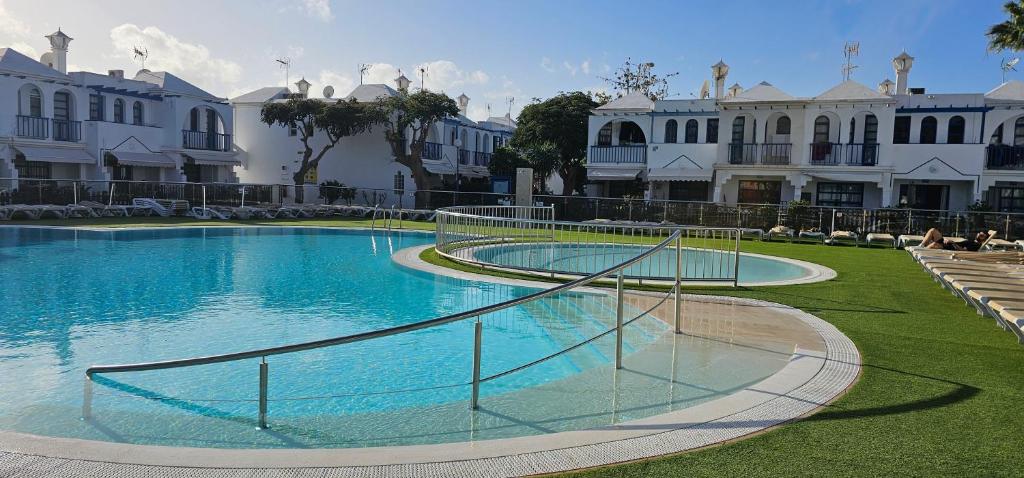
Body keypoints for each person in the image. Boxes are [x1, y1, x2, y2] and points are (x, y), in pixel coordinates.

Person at [920, 228, 989, 251]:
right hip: (950, 243)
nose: (979, 235)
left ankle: (922, 250)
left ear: (984, 240)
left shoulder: (976, 245)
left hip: (952, 247)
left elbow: (962, 250)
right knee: (933, 230)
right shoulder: (972, 240)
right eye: (979, 233)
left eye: (982, 235)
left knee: (934, 244)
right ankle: (921, 246)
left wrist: (952, 242)